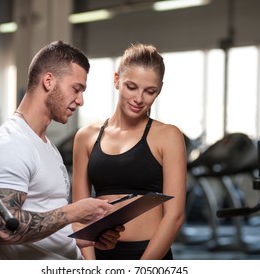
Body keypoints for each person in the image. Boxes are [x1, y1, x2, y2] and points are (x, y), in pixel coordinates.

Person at [0, 40, 124, 260]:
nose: (81, 100)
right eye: (76, 89)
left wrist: (88, 235)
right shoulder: (11, 143)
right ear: (48, 81)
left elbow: (48, 220)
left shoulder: (48, 147)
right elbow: (5, 229)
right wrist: (74, 212)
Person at [71, 43, 187, 260]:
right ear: (117, 80)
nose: (139, 99)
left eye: (149, 91)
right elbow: (79, 213)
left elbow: (175, 216)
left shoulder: (168, 136)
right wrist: (90, 267)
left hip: (150, 257)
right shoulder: (85, 136)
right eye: (131, 87)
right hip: (98, 254)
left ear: (159, 90)